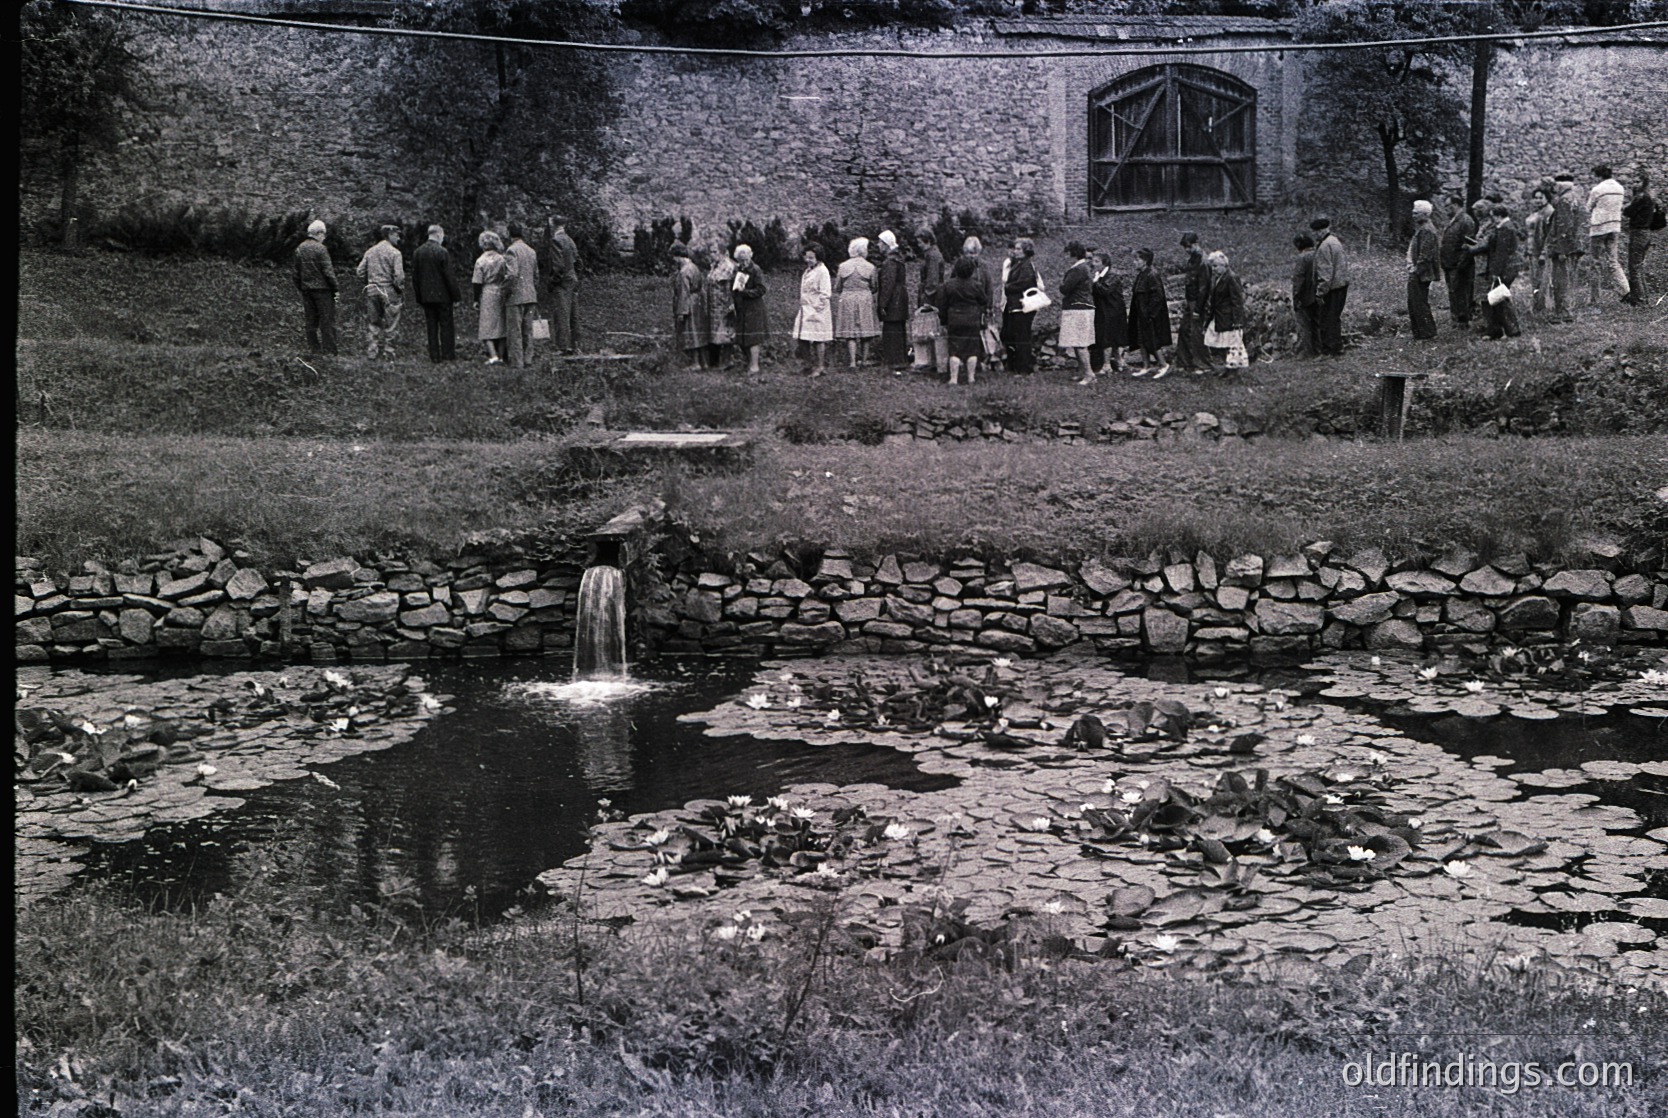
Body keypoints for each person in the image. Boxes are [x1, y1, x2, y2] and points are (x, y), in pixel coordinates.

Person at [1468, 204, 1523, 340]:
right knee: (1498, 298)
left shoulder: (1505, 228)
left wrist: (1496, 272)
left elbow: (1501, 253)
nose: (1492, 220)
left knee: (1499, 298)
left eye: (1493, 217)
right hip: (1507, 266)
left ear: (1499, 216)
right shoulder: (1506, 227)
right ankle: (1504, 329)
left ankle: (1509, 329)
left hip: (1505, 268)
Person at [412, 224, 460, 362]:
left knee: (431, 327)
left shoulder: (418, 252)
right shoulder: (442, 252)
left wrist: (419, 297)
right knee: (446, 326)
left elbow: (415, 278)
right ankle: (448, 355)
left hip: (426, 296)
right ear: (439, 235)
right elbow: (449, 277)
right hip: (443, 296)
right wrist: (456, 296)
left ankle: (434, 356)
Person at [355, 223, 404, 359]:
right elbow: (399, 276)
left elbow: (359, 271)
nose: (398, 238)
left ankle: (372, 351)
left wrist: (369, 283)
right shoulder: (395, 253)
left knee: (373, 322)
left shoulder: (370, 251)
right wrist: (399, 289)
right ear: (390, 235)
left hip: (372, 290)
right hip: (389, 290)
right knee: (391, 323)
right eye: (397, 235)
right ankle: (389, 352)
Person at [936, 255, 986, 386]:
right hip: (972, 319)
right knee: (972, 348)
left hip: (954, 319)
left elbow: (942, 305)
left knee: (954, 348)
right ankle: (971, 378)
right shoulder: (977, 285)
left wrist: (943, 321)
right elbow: (984, 301)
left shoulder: (948, 285)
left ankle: (953, 378)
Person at [292, 219, 338, 355]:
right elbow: (328, 272)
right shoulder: (321, 249)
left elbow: (295, 273)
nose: (324, 237)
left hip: (306, 290)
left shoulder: (299, 248)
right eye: (323, 234)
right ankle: (329, 351)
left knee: (310, 321)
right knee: (327, 320)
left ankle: (314, 349)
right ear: (318, 233)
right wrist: (335, 288)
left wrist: (301, 287)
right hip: (323, 291)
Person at [833, 237, 880, 368]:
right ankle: (864, 361)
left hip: (847, 297)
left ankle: (852, 362)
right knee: (866, 330)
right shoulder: (870, 267)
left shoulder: (843, 266)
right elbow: (874, 286)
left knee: (850, 330)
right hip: (864, 298)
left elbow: (837, 286)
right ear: (864, 250)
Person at [1586, 164, 1629, 302]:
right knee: (1613, 261)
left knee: (1595, 263)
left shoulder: (1597, 189)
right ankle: (1626, 291)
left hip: (1598, 228)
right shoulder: (1620, 188)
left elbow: (1588, 208)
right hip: (1615, 227)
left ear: (1599, 176)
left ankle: (1595, 298)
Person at [1057, 241, 1097, 385]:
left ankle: (1089, 374)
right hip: (1078, 307)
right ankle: (1082, 372)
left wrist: (1061, 285)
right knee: (1076, 342)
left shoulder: (1079, 269)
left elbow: (1065, 288)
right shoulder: (1081, 268)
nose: (1066, 256)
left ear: (1072, 254)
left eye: (1067, 253)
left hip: (1079, 308)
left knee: (1080, 343)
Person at [1200, 250, 1247, 370]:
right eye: (1212, 267)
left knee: (1229, 343)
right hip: (1218, 315)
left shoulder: (1231, 277)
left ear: (1224, 265)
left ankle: (1230, 368)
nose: (1213, 269)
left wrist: (1237, 321)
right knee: (1214, 340)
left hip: (1227, 316)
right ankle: (1224, 366)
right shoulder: (1218, 278)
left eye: (1215, 266)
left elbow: (1237, 300)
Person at [1000, 237, 1041, 375]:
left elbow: (1024, 283)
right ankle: (1019, 366)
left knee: (1022, 337)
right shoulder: (1019, 263)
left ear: (1026, 251)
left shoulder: (1026, 265)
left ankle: (1024, 368)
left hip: (1022, 305)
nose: (1015, 251)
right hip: (1016, 304)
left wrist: (1008, 287)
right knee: (1017, 335)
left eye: (1018, 249)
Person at [1128, 248, 1171, 377]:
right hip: (1140, 313)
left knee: (1152, 340)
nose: (1134, 262)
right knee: (1141, 339)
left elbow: (1158, 296)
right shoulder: (1142, 274)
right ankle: (1146, 365)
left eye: (1137, 259)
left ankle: (1163, 364)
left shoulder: (1152, 274)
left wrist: (1150, 314)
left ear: (1145, 261)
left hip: (1149, 314)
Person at [790, 241, 833, 375]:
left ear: (818, 258)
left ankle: (820, 367)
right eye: (806, 257)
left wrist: (817, 309)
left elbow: (825, 293)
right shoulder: (809, 270)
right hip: (805, 308)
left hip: (817, 309)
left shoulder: (822, 271)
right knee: (802, 337)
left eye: (811, 258)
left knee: (818, 338)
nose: (807, 260)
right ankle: (807, 365)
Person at [1547, 174, 1585, 322]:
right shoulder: (1576, 197)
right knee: (1569, 280)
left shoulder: (1564, 200)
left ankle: (1563, 313)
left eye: (1556, 185)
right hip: (1575, 245)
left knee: (1560, 281)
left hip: (1565, 247)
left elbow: (1564, 226)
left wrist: (1561, 249)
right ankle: (1567, 311)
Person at [1173, 231, 1212, 373]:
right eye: (1185, 247)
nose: (1187, 250)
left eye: (1189, 247)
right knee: (1184, 329)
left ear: (1196, 244)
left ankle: (1204, 364)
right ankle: (1185, 362)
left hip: (1198, 302)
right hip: (1190, 300)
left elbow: (1204, 288)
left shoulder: (1203, 261)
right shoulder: (1192, 259)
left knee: (1197, 333)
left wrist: (1197, 309)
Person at [911, 225, 947, 376]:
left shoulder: (932, 255)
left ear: (926, 240)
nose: (918, 244)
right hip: (931, 292)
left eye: (919, 241)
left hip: (932, 296)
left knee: (929, 327)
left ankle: (929, 360)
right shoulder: (930, 253)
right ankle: (929, 359)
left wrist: (926, 299)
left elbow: (932, 280)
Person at [471, 230, 511, 364]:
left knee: (486, 324)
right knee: (501, 324)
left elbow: (477, 281)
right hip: (500, 290)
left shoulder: (480, 261)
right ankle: (500, 355)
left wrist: (476, 299)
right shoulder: (502, 259)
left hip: (487, 291)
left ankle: (492, 356)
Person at [503, 223, 540, 368]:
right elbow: (536, 275)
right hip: (530, 295)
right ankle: (528, 359)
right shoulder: (531, 251)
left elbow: (512, 274)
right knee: (527, 329)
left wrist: (505, 290)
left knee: (515, 330)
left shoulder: (511, 250)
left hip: (515, 296)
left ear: (509, 234)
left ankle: (517, 361)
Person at [1311, 215, 1349, 356]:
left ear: (1320, 231)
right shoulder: (1335, 241)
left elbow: (1325, 272)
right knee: (1334, 318)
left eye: (1316, 232)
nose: (1315, 235)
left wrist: (1320, 293)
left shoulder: (1324, 247)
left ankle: (1330, 350)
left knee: (1327, 320)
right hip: (1341, 284)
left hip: (1332, 288)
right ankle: (1337, 347)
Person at [875, 230, 912, 373]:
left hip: (894, 300)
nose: (878, 245)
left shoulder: (890, 261)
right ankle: (900, 359)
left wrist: (883, 303)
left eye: (880, 242)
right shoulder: (898, 258)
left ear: (885, 244)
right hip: (900, 297)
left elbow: (888, 284)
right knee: (898, 330)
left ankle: (895, 362)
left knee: (892, 331)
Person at [1088, 249, 1128, 376]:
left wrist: (1094, 282)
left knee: (1108, 337)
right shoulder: (1100, 275)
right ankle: (1119, 362)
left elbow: (1105, 291)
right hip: (1104, 310)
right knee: (1110, 337)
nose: (1094, 264)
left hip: (1113, 311)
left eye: (1097, 261)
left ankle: (1107, 365)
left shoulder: (1112, 276)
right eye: (1093, 261)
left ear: (1105, 263)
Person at [1439, 196, 1477, 328]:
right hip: (1449, 263)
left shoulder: (1466, 221)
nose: (1445, 210)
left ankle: (1463, 320)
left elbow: (1468, 244)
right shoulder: (1453, 221)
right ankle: (1456, 319)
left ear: (1455, 205)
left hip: (1459, 264)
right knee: (1453, 291)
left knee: (1461, 292)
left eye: (1447, 206)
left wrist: (1461, 264)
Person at [731, 243, 768, 375]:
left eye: (746, 259)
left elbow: (762, 289)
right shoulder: (737, 270)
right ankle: (748, 363)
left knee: (753, 339)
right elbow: (733, 288)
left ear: (750, 256)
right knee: (742, 338)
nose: (744, 262)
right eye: (741, 260)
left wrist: (745, 292)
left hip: (754, 308)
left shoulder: (756, 270)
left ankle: (755, 366)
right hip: (741, 308)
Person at [545, 214, 580, 354]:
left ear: (553, 225)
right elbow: (578, 262)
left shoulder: (556, 240)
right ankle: (575, 345)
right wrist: (575, 276)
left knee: (561, 314)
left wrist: (553, 282)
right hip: (572, 279)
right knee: (573, 314)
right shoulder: (570, 240)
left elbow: (558, 267)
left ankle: (563, 347)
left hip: (562, 282)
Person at [1406, 199, 1440, 339]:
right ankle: (1421, 333)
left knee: (1419, 303)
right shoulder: (1422, 228)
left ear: (1425, 214)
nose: (1413, 216)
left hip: (1421, 273)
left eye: (1416, 213)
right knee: (1415, 302)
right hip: (1419, 271)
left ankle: (1427, 333)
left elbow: (1425, 255)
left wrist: (1416, 271)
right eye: (1413, 213)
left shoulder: (1427, 230)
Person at [1621, 168, 1656, 307]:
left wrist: (1629, 203)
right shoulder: (1649, 196)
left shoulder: (1641, 197)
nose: (1633, 184)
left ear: (1643, 182)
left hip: (1639, 233)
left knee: (1634, 267)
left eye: (1637, 181)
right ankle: (1642, 298)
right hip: (1645, 233)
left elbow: (1628, 211)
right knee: (1638, 267)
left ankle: (1640, 300)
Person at [670, 242, 706, 369]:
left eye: (674, 257)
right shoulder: (694, 267)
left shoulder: (684, 272)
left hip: (688, 303)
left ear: (678, 256)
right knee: (698, 330)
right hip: (697, 302)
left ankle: (695, 363)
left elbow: (683, 292)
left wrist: (681, 311)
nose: (674, 261)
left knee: (690, 332)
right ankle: (703, 361)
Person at [1523, 186, 1555, 321]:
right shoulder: (1538, 212)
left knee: (1543, 280)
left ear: (1547, 198)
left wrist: (1544, 252)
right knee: (1535, 280)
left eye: (1540, 198)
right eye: (1535, 198)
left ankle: (1543, 308)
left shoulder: (1549, 212)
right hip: (1532, 251)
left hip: (1541, 252)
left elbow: (1549, 235)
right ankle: (1537, 306)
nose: (1537, 200)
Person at [705, 244, 738, 368]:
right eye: (711, 252)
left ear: (723, 253)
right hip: (713, 304)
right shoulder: (714, 266)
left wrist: (732, 303)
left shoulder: (729, 266)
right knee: (714, 332)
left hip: (725, 304)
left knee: (726, 332)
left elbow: (733, 288)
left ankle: (727, 361)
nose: (712, 255)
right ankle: (714, 362)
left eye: (714, 252)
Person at [1290, 233, 1320, 358]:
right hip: (1319, 295)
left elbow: (1298, 280)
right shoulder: (1318, 255)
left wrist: (1296, 297)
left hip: (1305, 297)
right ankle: (1319, 350)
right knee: (1317, 325)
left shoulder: (1301, 258)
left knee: (1304, 326)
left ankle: (1307, 353)